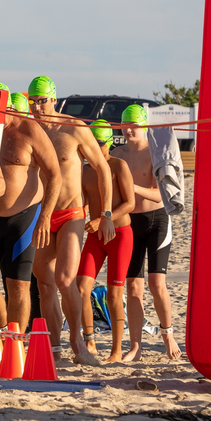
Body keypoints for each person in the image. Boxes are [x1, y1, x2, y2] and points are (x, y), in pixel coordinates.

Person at [27, 75, 114, 366]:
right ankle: (54, 347)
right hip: (41, 215)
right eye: (32, 102)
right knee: (44, 284)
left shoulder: (74, 128)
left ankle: (78, 342)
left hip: (71, 214)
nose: (38, 107)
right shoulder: (30, 128)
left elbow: (102, 168)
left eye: (42, 101)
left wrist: (107, 214)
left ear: (54, 99)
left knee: (66, 280)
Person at [0, 84, 62, 336]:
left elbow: (54, 174)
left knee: (18, 287)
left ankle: (15, 342)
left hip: (23, 217)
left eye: (0, 110)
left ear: (11, 107)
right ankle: (5, 326)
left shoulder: (29, 130)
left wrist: (45, 216)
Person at [115, 104, 182, 361]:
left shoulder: (154, 153)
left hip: (157, 220)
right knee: (133, 287)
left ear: (143, 126)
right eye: (126, 125)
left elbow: (161, 195)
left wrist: (133, 189)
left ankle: (168, 335)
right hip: (129, 223)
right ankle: (136, 346)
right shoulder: (117, 154)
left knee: (157, 284)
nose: (129, 130)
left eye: (134, 125)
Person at [77, 119, 135, 363]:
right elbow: (83, 202)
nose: (93, 146)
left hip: (120, 235)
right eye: (90, 142)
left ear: (109, 144)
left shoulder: (119, 166)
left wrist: (102, 220)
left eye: (98, 143)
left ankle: (116, 351)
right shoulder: (86, 169)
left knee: (114, 295)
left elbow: (130, 203)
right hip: (96, 237)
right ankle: (90, 341)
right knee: (81, 288)